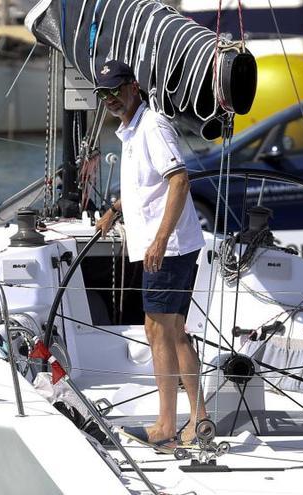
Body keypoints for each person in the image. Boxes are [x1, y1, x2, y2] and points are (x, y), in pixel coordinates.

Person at [93, 60, 208, 449]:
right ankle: (198, 420)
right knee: (169, 330)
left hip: (168, 248)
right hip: (165, 246)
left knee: (160, 330)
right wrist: (113, 210)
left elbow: (178, 180)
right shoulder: (131, 130)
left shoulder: (152, 126)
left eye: (115, 90)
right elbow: (146, 185)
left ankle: (166, 426)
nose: (109, 99)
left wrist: (159, 239)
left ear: (134, 87)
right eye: (103, 94)